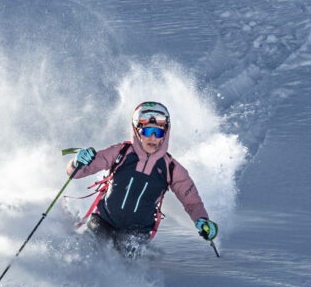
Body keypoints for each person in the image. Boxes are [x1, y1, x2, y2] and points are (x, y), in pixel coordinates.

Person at [66, 101, 218, 255]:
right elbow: (77, 172)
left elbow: (192, 202)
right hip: (104, 221)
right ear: (137, 131)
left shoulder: (171, 168)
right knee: (84, 254)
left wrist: (202, 220)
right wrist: (77, 162)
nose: (152, 138)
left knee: (122, 267)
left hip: (137, 233)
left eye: (158, 133)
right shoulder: (121, 152)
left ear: (165, 135)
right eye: (147, 131)